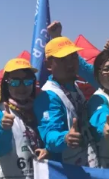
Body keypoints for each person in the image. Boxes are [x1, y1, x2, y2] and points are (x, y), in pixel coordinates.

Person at [35, 36, 99, 167]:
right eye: (63, 59)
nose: (70, 64)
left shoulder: (73, 87)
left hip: (88, 165)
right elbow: (49, 133)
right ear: (48, 65)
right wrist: (65, 138)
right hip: (67, 172)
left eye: (73, 57)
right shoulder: (48, 95)